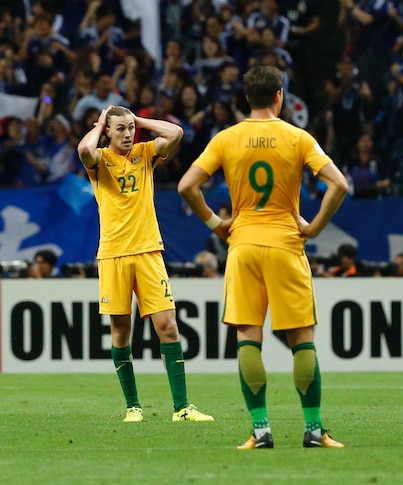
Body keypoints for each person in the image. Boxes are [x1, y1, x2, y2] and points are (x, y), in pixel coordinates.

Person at [178, 65, 348, 450]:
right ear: (279, 96)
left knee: (247, 340)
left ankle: (260, 431)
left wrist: (216, 224)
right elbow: (339, 183)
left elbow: (187, 185)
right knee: (302, 340)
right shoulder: (297, 137)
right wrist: (315, 227)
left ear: (245, 98)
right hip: (286, 244)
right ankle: (314, 430)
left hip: (243, 245)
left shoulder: (227, 138)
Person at [77, 105, 213, 423]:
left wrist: (136, 120)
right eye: (120, 129)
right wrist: (101, 124)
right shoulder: (99, 161)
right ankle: (133, 407)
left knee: (167, 327)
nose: (127, 134)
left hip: (149, 252)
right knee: (122, 333)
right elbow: (84, 148)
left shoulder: (145, 152)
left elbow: (176, 133)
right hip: (113, 254)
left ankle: (182, 408)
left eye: (130, 129)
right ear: (107, 132)